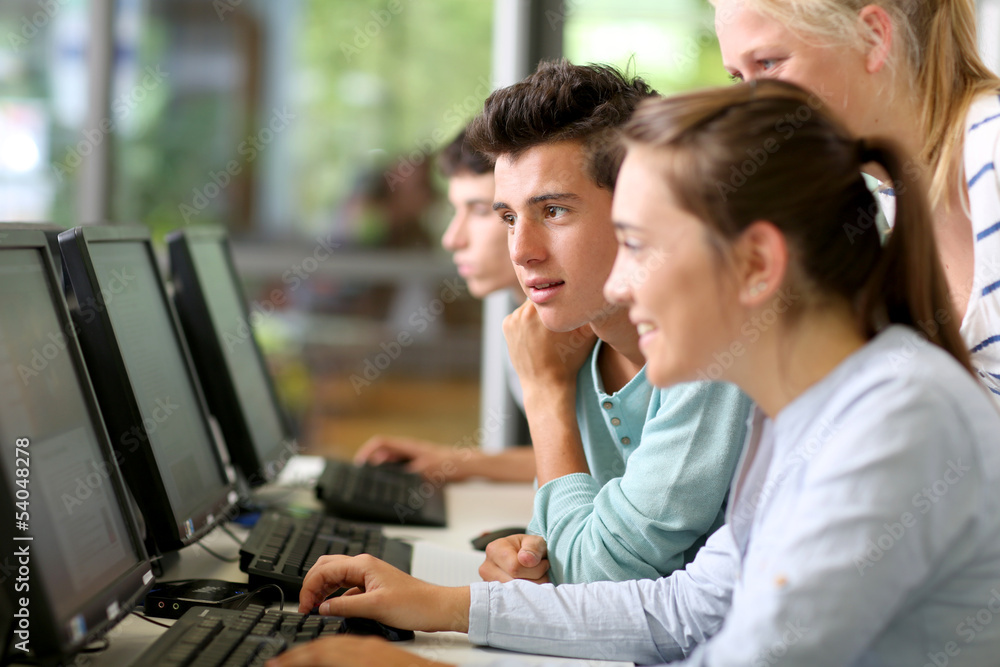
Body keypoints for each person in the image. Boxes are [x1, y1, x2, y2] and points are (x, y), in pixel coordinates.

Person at [269, 81, 1000, 667]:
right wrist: (438, 606)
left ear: (755, 265)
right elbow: (688, 611)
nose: (619, 288)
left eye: (640, 246)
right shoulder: (796, 413)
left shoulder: (894, 420)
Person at [467, 59, 751, 585]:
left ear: (638, 207)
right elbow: (557, 550)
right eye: (508, 218)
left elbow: (599, 573)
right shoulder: (566, 345)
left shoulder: (712, 348)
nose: (522, 252)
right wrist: (526, 553)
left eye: (553, 211)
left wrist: (544, 394)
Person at [712, 0, 1000, 406]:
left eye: (769, 63)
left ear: (873, 38)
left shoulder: (992, 153)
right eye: (737, 77)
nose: (751, 104)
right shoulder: (893, 202)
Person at [355, 128, 536, 483]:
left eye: (481, 211)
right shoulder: (518, 323)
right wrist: (454, 461)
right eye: (455, 210)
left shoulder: (589, 334)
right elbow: (576, 463)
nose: (452, 238)